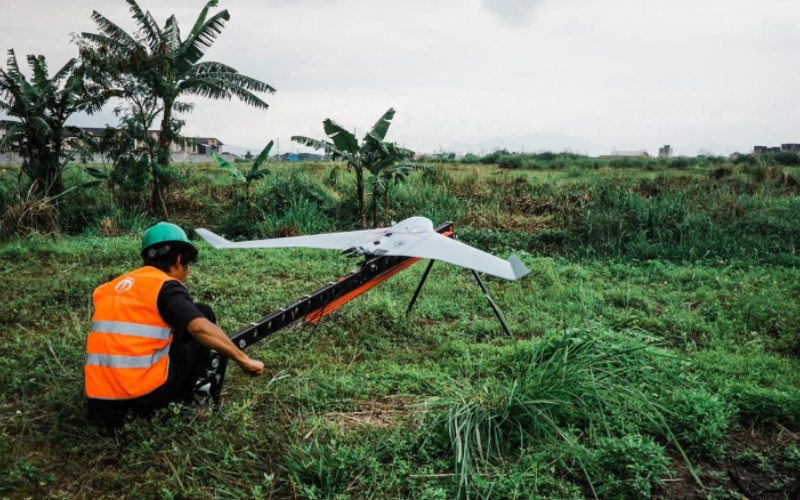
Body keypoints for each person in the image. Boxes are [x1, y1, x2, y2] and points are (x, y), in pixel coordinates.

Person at [84, 221, 263, 428]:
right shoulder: (165, 286)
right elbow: (199, 327)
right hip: (142, 397)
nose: (186, 274)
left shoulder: (107, 289)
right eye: (187, 266)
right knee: (203, 314)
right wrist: (244, 360)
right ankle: (183, 401)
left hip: (99, 404)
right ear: (179, 260)